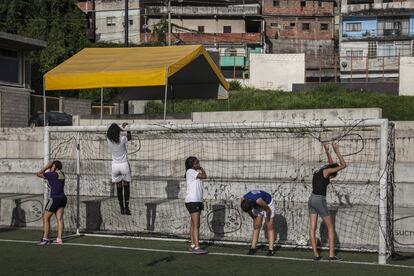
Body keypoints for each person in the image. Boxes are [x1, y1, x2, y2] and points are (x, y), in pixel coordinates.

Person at [308, 143, 347, 261]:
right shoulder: (326, 172)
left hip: (311, 199)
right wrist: (337, 151)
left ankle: (316, 255)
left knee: (312, 228)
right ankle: (331, 255)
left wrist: (327, 150)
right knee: (330, 227)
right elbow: (344, 165)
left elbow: (331, 163)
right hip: (319, 200)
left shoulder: (321, 171)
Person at [36, 160, 67, 245]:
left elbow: (38, 174)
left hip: (55, 198)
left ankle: (45, 239)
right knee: (59, 219)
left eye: (51, 167)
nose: (50, 168)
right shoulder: (62, 174)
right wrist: (51, 167)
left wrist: (46, 166)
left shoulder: (52, 174)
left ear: (55, 167)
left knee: (45, 218)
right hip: (63, 198)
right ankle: (59, 239)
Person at [107, 122, 132, 215]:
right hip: (124, 164)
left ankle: (121, 208)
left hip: (115, 166)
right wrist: (126, 128)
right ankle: (127, 207)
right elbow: (129, 137)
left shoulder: (108, 140)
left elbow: (108, 128)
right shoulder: (123, 138)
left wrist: (119, 126)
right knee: (126, 185)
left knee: (119, 187)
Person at [184, 156, 208, 255]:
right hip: (193, 201)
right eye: (196, 162)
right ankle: (197, 247)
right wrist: (201, 168)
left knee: (193, 224)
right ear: (192, 164)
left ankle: (193, 245)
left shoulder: (193, 172)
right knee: (196, 225)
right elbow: (205, 176)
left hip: (195, 201)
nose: (198, 163)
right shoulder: (190, 171)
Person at [241, 190, 276, 256]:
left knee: (269, 225)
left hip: (267, 204)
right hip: (256, 205)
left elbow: (267, 209)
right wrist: (254, 218)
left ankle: (271, 249)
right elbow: (248, 210)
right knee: (256, 225)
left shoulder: (258, 200)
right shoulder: (243, 199)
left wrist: (267, 219)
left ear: (251, 206)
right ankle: (253, 248)